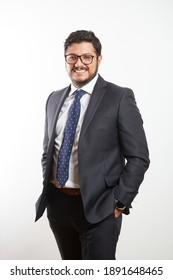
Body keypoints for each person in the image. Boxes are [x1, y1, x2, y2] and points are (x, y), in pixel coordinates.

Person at [35, 30, 150, 260]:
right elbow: (48, 151)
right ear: (66, 59)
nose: (79, 63)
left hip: (100, 209)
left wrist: (119, 202)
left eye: (86, 57)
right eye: (72, 57)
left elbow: (139, 157)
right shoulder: (54, 98)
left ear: (98, 59)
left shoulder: (119, 97)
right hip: (58, 206)